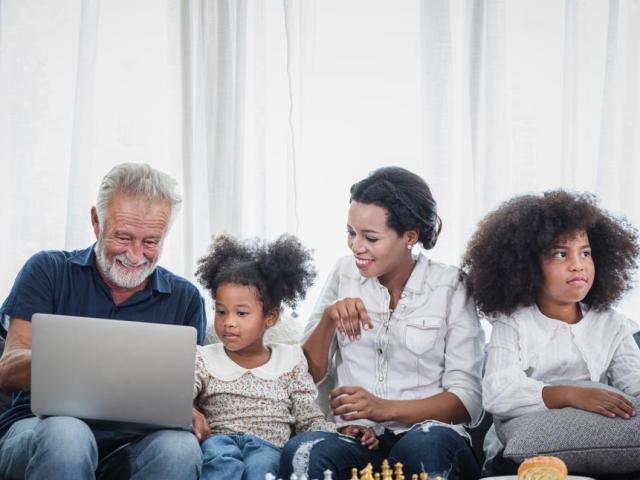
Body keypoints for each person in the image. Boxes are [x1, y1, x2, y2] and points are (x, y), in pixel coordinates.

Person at [0, 163, 207, 480]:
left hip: (134, 446)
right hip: (39, 432)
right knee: (68, 433)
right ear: (97, 222)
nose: (136, 255)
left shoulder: (185, 299)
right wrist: (74, 362)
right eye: (123, 237)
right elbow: (7, 370)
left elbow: (186, 390)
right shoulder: (48, 270)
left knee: (180, 448)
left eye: (151, 242)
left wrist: (186, 409)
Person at [279, 167, 485, 480]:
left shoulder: (451, 286)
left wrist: (383, 408)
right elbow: (307, 376)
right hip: (357, 439)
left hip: (427, 436)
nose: (356, 246)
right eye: (351, 233)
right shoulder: (343, 273)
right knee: (305, 451)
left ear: (410, 236)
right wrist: (329, 319)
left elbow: (466, 401)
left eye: (370, 238)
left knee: (427, 447)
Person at [462, 190, 640, 472]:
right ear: (527, 265)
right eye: (560, 254)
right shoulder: (513, 323)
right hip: (519, 455)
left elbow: (635, 382)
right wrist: (571, 395)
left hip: (597, 450)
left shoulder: (611, 323)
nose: (577, 265)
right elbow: (498, 392)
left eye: (585, 253)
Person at [193, 234, 378, 480]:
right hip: (219, 442)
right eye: (221, 311)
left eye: (241, 313)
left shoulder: (290, 360)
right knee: (219, 463)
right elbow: (179, 396)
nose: (229, 322)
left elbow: (308, 418)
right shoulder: (203, 357)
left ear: (270, 317)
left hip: (268, 447)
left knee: (263, 467)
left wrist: (341, 429)